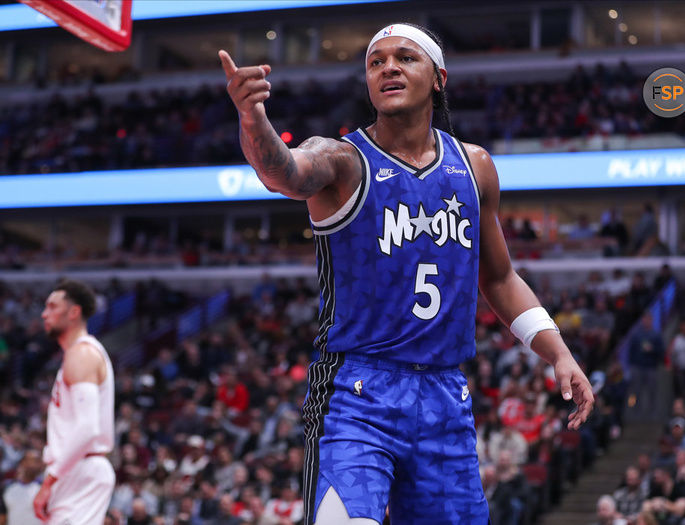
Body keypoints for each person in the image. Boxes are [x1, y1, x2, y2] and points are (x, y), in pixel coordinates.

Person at [220, 22, 593, 525]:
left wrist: (558, 351)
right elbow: (282, 171)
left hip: (445, 394)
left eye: (404, 58)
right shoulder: (344, 159)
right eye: (376, 62)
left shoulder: (475, 166)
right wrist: (251, 118)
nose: (388, 67)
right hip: (358, 389)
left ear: (438, 77)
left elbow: (499, 278)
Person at [33, 279, 116, 524]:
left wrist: (50, 480)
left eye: (52, 307)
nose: (44, 314)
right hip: (75, 469)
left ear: (74, 312)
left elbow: (87, 428)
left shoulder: (82, 354)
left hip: (80, 469)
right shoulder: (76, 354)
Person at [1, 450, 44, 525]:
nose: (33, 465)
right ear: (22, 462)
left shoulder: (44, 488)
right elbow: (2, 516)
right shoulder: (7, 487)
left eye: (37, 461)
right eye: (30, 460)